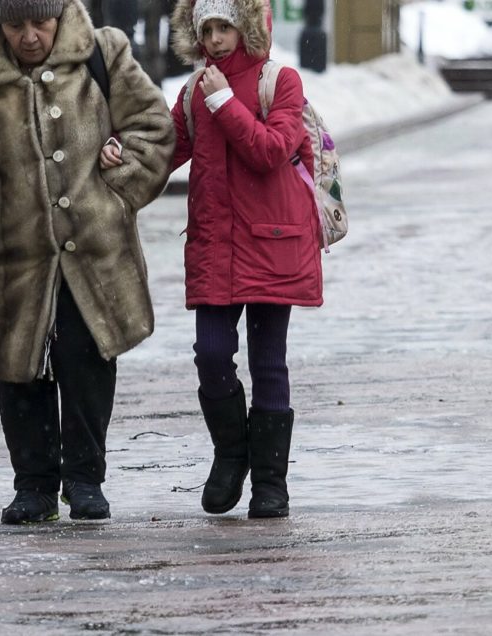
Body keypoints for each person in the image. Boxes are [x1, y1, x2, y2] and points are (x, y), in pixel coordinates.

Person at [0, 0, 174, 525]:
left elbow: (153, 128)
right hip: (8, 253)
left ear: (60, 15)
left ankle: (85, 479)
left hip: (91, 248)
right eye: (15, 24)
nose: (28, 36)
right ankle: (35, 486)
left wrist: (115, 190)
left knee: (86, 358)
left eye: (39, 23)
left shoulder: (102, 56)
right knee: (19, 365)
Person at [169, 0, 323, 519]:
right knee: (211, 356)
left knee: (268, 362)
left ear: (247, 27)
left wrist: (225, 105)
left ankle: (271, 484)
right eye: (206, 29)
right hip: (214, 246)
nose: (214, 39)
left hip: (270, 242)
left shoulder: (279, 82)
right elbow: (164, 151)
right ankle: (230, 455)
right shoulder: (194, 92)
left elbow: (272, 150)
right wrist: (121, 150)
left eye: (224, 27)